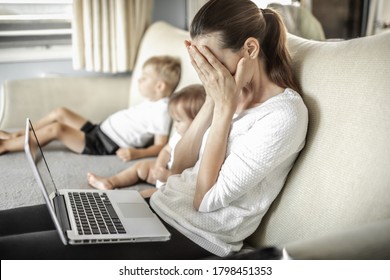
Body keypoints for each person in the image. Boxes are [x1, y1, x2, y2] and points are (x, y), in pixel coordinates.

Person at [0, 0, 308, 259]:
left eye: (210, 59)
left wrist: (224, 108)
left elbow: (204, 200)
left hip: (193, 235)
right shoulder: (230, 96)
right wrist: (213, 102)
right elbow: (179, 168)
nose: (205, 70)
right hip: (157, 206)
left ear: (250, 49)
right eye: (199, 59)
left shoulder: (283, 115)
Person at [0, 56, 181, 162]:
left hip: (102, 144)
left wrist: (136, 153)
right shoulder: (152, 102)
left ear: (159, 86)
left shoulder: (162, 112)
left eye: (145, 78)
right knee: (61, 112)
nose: (139, 80)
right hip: (99, 130)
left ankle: (6, 145)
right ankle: (23, 134)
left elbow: (160, 146)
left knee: (56, 129)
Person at [86, 84, 206, 198]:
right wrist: (159, 165)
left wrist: (169, 177)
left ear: (198, 121)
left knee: (155, 196)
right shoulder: (178, 135)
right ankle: (110, 182)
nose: (175, 125)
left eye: (179, 121)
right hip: (164, 172)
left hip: (175, 185)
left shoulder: (203, 144)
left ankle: (130, 200)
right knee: (141, 166)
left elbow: (192, 177)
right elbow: (166, 151)